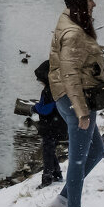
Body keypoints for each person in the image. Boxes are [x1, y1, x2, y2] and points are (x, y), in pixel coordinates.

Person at [45, 0, 104, 207]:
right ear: (80, 2)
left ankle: (61, 203)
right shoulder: (73, 34)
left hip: (74, 97)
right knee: (78, 158)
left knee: (97, 151)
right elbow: (70, 75)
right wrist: (82, 113)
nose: (94, 4)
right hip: (76, 101)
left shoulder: (71, 22)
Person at [32, 59, 66, 187]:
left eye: (40, 79)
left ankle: (47, 178)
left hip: (51, 126)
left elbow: (46, 109)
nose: (39, 81)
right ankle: (57, 174)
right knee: (50, 149)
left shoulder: (49, 91)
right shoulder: (55, 88)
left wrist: (35, 108)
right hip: (54, 125)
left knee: (47, 150)